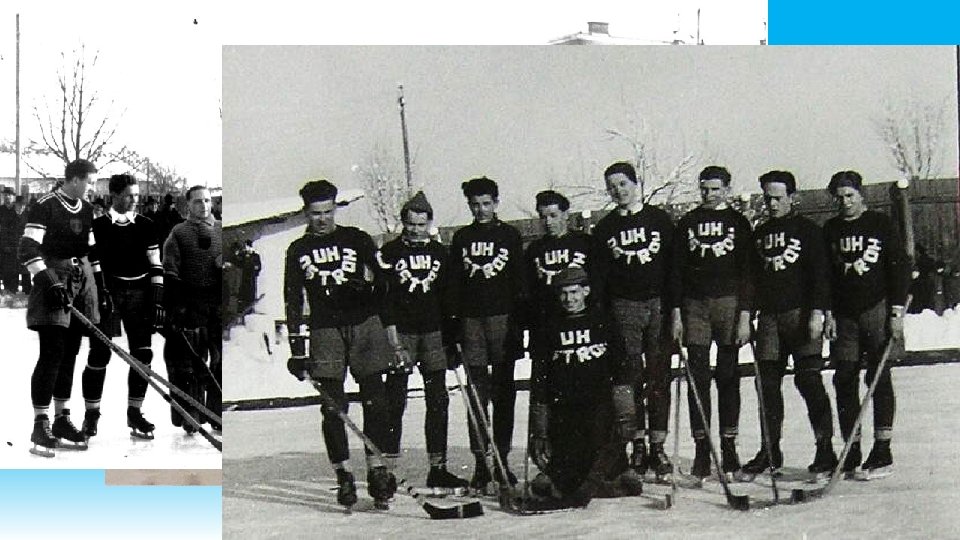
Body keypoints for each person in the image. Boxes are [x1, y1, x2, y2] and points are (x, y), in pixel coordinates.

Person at [283, 179, 401, 508]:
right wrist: (297, 349)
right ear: (305, 212)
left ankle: (377, 470)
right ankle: (344, 474)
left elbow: (383, 281)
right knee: (333, 407)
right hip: (325, 330)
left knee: (376, 402)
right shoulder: (297, 250)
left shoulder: (356, 238)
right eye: (315, 213)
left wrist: (367, 288)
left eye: (327, 211)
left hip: (364, 326)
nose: (322, 219)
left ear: (336, 208)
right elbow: (293, 299)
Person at [738, 170, 838, 481]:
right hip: (769, 319)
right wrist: (746, 315)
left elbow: (822, 276)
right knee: (766, 385)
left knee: (809, 381)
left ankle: (825, 449)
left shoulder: (808, 231)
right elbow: (750, 280)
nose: (772, 203)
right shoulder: (759, 234)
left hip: (801, 316)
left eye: (778, 197)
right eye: (767, 198)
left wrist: (819, 313)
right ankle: (770, 449)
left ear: (792, 198)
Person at [376, 191, 469, 493]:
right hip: (401, 335)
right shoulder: (390, 252)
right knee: (395, 400)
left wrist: (452, 336)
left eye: (421, 223)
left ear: (429, 223)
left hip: (433, 334)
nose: (416, 229)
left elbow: (449, 297)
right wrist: (390, 336)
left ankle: (438, 468)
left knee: (438, 400)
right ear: (403, 222)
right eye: (410, 223)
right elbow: (384, 296)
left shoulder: (441, 254)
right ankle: (388, 469)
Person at [527, 266, 643, 508]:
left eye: (574, 292)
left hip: (598, 403)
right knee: (565, 468)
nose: (569, 299)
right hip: (565, 406)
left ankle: (614, 474)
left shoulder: (603, 321)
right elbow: (541, 374)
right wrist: (539, 423)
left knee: (605, 450)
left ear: (586, 291)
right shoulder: (549, 327)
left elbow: (621, 367)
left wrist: (625, 410)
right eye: (563, 294)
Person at [592, 162, 676, 482]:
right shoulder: (604, 229)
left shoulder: (659, 220)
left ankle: (658, 445)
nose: (618, 191)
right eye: (612, 186)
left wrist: (674, 309)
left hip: (657, 306)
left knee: (658, 376)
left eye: (623, 184)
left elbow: (673, 269)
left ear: (635, 184)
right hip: (623, 307)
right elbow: (599, 278)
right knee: (630, 378)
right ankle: (637, 443)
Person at [822, 170, 909, 479]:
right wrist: (828, 313)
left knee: (878, 376)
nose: (845, 202)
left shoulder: (881, 224)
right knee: (843, 378)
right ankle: (852, 449)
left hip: (877, 309)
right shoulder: (830, 229)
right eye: (840, 197)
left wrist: (896, 312)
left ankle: (882, 450)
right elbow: (826, 277)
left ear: (862, 196)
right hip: (845, 316)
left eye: (850, 196)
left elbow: (899, 268)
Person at [20, 159, 108, 457]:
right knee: (52, 353)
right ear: (73, 179)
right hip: (52, 285)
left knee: (70, 353)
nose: (93, 189)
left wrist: (100, 286)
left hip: (79, 285)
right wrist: (49, 281)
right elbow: (27, 249)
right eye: (91, 183)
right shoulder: (45, 205)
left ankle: (61, 418)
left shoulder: (85, 209)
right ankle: (40, 423)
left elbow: (90, 251)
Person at [671, 165, 753, 479]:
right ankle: (702, 452)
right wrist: (677, 313)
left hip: (729, 304)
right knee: (698, 378)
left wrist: (745, 314)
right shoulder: (688, 223)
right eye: (704, 189)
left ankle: (729, 450)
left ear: (727, 190)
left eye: (715, 189)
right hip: (695, 306)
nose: (709, 194)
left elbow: (748, 272)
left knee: (729, 376)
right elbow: (677, 271)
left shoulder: (737, 222)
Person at [446, 176, 524, 490]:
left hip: (503, 321)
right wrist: (454, 328)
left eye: (486, 204)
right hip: (472, 323)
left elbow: (519, 283)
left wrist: (518, 326)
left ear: (495, 203)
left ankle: (503, 459)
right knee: (477, 395)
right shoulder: (462, 238)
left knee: (504, 394)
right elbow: (454, 285)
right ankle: (481, 462)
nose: (481, 210)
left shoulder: (510, 235)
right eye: (475, 205)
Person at [81, 174, 164, 440]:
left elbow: (155, 262)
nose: (134, 200)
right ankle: (91, 415)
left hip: (140, 295)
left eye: (137, 195)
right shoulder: (98, 226)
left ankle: (135, 413)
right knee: (99, 354)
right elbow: (92, 262)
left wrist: (157, 295)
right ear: (114, 196)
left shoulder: (146, 225)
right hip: (110, 294)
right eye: (129, 195)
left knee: (143, 355)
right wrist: (101, 291)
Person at [162, 185, 222, 435]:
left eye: (207, 200)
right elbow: (170, 269)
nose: (204, 206)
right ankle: (191, 413)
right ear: (188, 205)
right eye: (198, 201)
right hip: (190, 302)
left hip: (216, 303)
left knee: (218, 360)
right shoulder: (179, 233)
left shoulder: (221, 230)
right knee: (191, 362)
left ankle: (217, 412)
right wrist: (178, 304)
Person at [0, 187, 21, 300]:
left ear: (13, 197)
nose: (7, 197)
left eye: (10, 195)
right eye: (5, 195)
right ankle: (6, 290)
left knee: (15, 269)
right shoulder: (1, 210)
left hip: (15, 244)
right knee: (4, 269)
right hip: (3, 244)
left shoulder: (17, 210)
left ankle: (14, 291)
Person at [238, 239, 262, 314]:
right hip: (244, 276)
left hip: (251, 277)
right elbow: (239, 263)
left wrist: (256, 269)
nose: (246, 248)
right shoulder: (243, 255)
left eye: (247, 246)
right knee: (243, 292)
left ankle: (250, 308)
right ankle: (243, 308)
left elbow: (258, 266)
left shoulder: (255, 256)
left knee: (251, 292)